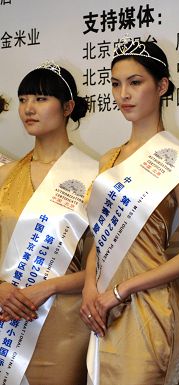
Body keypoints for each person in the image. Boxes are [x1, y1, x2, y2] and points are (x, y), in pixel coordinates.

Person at [80, 37, 179, 385]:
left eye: (135, 83)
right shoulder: (109, 159)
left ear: (162, 85)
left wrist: (121, 292)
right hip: (101, 308)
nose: (124, 94)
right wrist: (91, 290)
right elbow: (98, 237)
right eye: (116, 84)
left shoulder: (176, 160)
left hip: (148, 307)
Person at [0, 61, 98, 385]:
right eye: (24, 98)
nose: (29, 108)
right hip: (5, 314)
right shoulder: (4, 175)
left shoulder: (95, 177)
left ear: (68, 107)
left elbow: (105, 267)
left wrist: (49, 286)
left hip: (65, 322)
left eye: (41, 99)